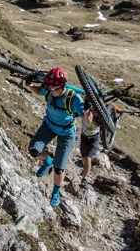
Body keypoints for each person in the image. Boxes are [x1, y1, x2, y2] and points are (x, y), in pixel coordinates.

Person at [27, 67, 92, 207]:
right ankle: (47, 161)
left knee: (59, 167)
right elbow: (40, 91)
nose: (50, 91)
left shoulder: (73, 98)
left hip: (67, 133)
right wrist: (29, 85)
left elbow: (87, 121)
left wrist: (87, 108)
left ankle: (55, 192)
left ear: (61, 86)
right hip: (49, 126)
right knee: (34, 150)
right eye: (48, 88)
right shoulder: (49, 90)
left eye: (53, 89)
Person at [79, 105, 100, 188]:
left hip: (94, 138)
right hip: (84, 137)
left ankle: (84, 178)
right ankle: (85, 171)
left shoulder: (100, 114)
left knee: (88, 158)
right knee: (84, 158)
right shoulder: (86, 110)